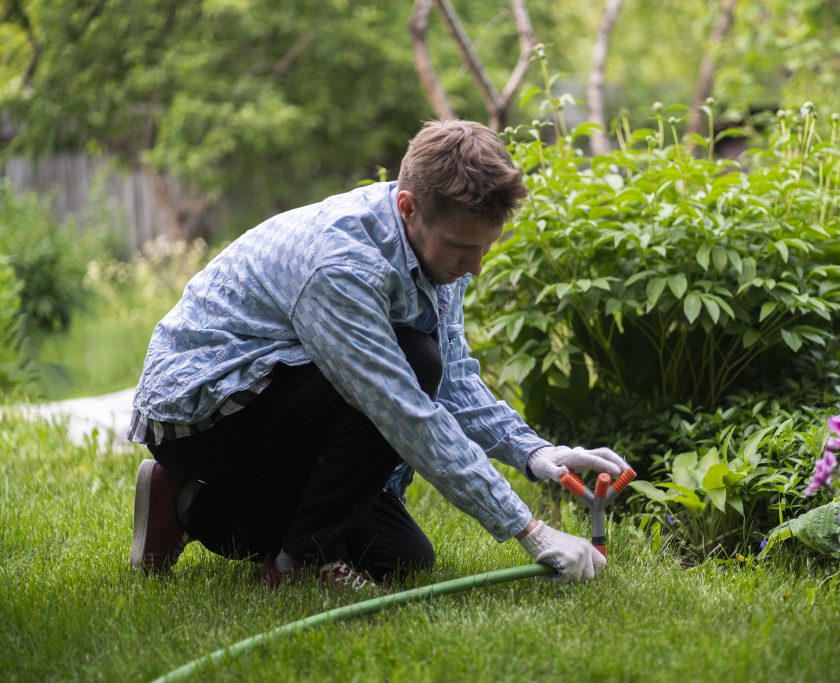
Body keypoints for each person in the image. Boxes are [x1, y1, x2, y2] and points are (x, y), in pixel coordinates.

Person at [127, 119, 631, 589]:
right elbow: (403, 412)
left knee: (402, 557)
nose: (475, 266)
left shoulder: (436, 252)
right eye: (462, 248)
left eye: (486, 246)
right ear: (409, 208)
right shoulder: (343, 265)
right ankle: (303, 560)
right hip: (202, 412)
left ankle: (187, 503)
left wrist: (535, 453)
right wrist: (531, 531)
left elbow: (453, 379)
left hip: (281, 400)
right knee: (416, 361)